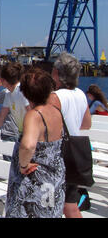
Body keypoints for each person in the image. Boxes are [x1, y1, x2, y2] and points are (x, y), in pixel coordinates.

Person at [5, 68, 65, 218]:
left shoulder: (34, 115)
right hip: (53, 177)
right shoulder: (56, 110)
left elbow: (28, 145)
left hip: (34, 180)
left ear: (26, 93)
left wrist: (24, 166)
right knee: (49, 212)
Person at [48, 52, 92, 218]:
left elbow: (47, 128)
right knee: (70, 206)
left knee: (49, 204)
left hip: (58, 157)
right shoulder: (80, 94)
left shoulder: (55, 97)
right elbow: (86, 124)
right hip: (74, 155)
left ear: (57, 73)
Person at [0, 63, 30, 141]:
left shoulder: (22, 92)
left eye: (0, 77)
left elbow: (32, 113)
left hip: (32, 135)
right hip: (23, 134)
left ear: (4, 80)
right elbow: (1, 117)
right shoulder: (9, 94)